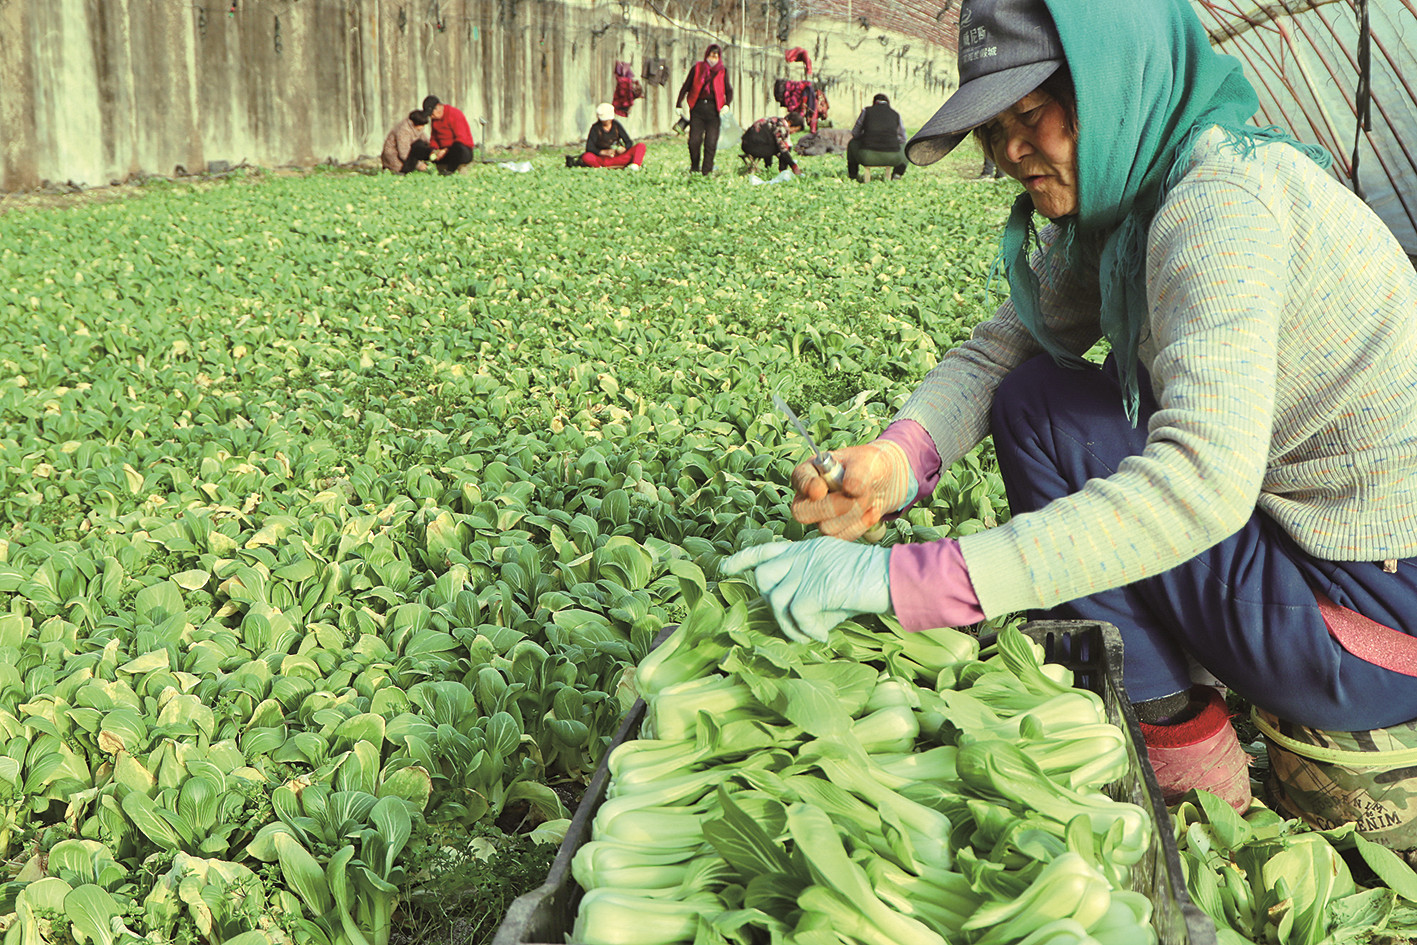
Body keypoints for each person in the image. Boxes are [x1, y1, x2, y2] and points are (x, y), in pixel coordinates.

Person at [724, 0, 1417, 815]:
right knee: (1037, 396)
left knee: (1053, 421)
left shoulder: (1216, 209)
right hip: (1317, 571)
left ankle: (1177, 752)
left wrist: (911, 578)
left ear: (1117, 86)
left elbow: (1199, 486)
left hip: (1368, 624)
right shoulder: (1139, 195)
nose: (1011, 151)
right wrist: (892, 463)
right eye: (993, 127)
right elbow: (1002, 348)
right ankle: (1184, 718)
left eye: (1033, 115)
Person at [676, 44, 733, 175]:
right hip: (698, 109)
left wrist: (726, 105)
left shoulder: (722, 71)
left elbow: (729, 90)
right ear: (706, 55)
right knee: (694, 141)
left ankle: (706, 171)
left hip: (714, 111)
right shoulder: (697, 68)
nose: (713, 59)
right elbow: (686, 86)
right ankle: (695, 166)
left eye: (716, 56)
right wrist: (678, 104)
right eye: (711, 55)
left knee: (711, 142)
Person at [847, 93, 907, 181]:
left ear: (874, 103)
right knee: (905, 147)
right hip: (892, 157)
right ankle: (897, 174)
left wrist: (865, 136)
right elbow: (903, 138)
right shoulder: (895, 114)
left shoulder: (866, 111)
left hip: (867, 156)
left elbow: (855, 133)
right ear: (888, 103)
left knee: (852, 143)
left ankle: (853, 175)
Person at [579, 103, 646, 169]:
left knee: (641, 146)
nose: (606, 122)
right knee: (586, 157)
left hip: (618, 157)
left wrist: (624, 149)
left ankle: (635, 166)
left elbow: (629, 142)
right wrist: (602, 152)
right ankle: (600, 167)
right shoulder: (595, 128)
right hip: (603, 159)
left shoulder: (616, 125)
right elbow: (589, 147)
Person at [422, 95, 474, 175]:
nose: (431, 117)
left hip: (460, 151)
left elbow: (461, 138)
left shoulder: (455, 114)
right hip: (444, 152)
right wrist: (435, 150)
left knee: (457, 147)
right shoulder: (435, 120)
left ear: (438, 107)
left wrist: (445, 150)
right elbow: (434, 137)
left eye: (432, 114)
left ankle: (450, 171)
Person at [740, 112, 805, 175]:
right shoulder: (781, 127)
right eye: (795, 130)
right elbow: (783, 149)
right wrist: (793, 166)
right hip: (753, 147)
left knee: (774, 144)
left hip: (747, 145)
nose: (793, 132)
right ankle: (782, 171)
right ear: (790, 123)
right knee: (784, 149)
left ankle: (769, 167)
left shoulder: (776, 121)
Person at [380, 109, 432, 174]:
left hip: (407, 153)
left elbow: (425, 140)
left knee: (422, 145)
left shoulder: (417, 127)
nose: (422, 128)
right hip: (394, 157)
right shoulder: (403, 130)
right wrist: (419, 165)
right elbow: (404, 153)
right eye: (421, 125)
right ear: (414, 123)